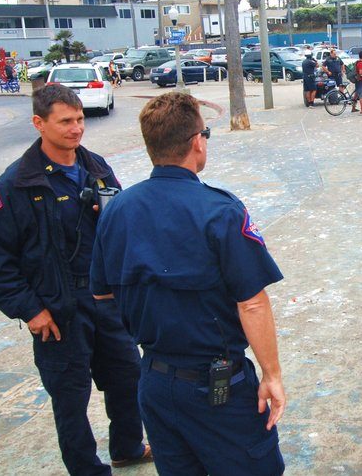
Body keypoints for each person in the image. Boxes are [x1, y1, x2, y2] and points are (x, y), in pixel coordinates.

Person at [90, 91, 286, 476]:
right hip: (217, 387)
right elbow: (252, 303)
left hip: (156, 382)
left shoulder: (118, 212)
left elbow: (101, 293)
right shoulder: (220, 211)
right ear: (197, 141)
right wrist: (272, 375)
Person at [0, 84, 151, 475]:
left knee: (128, 376)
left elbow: (121, 227)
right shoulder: (16, 186)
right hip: (57, 311)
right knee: (70, 399)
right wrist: (30, 310)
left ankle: (127, 446)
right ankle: (86, 469)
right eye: (66, 121)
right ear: (39, 124)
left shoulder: (97, 167)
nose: (76, 129)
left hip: (105, 301)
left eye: (79, 120)